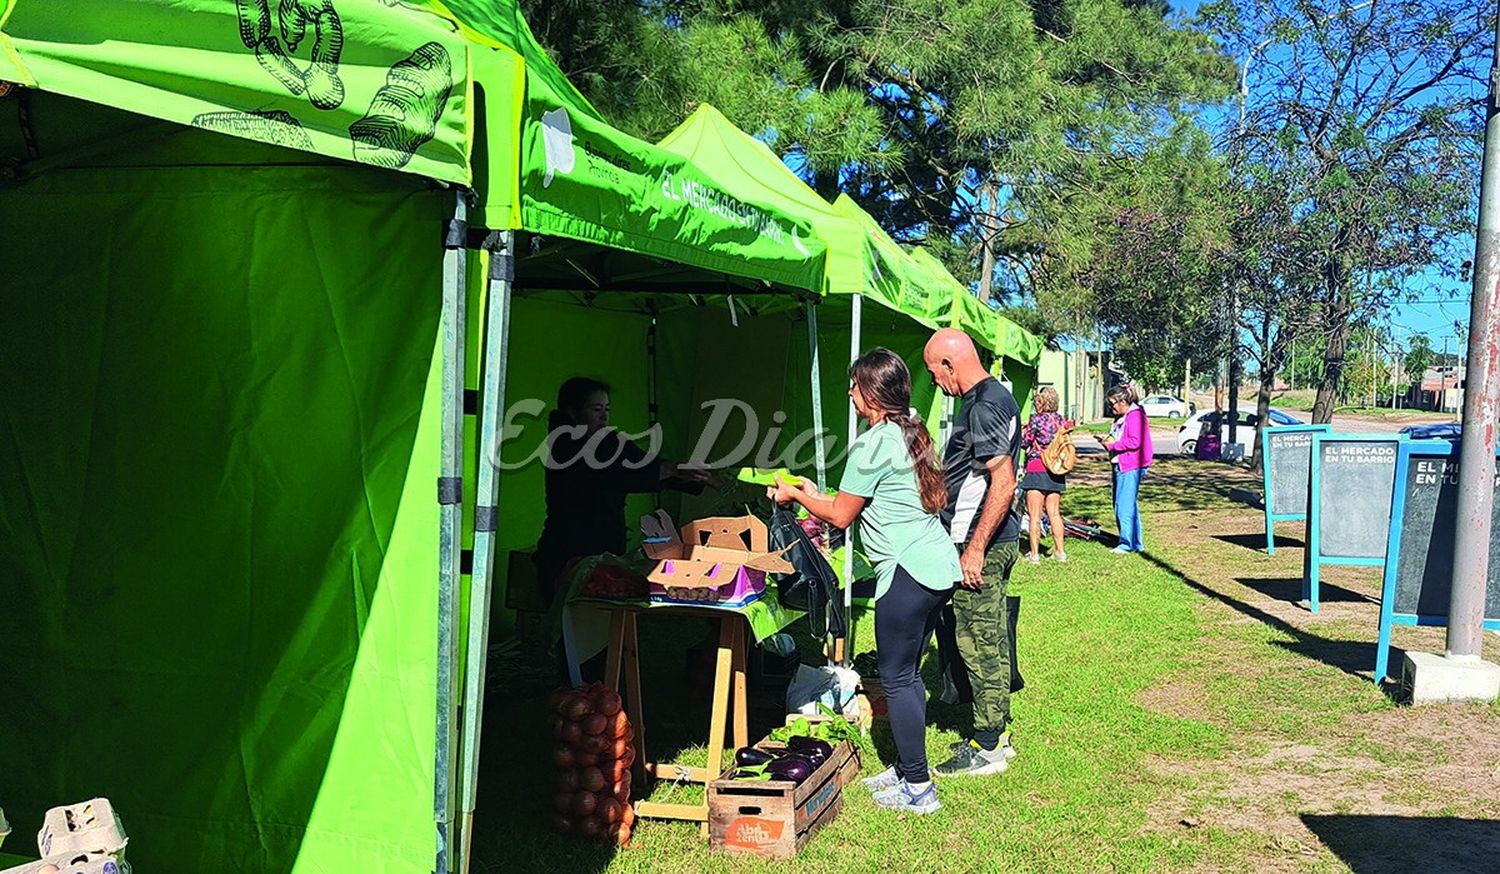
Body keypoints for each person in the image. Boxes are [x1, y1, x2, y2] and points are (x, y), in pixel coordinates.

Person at [768, 348, 958, 815]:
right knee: (909, 674)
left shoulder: (871, 444)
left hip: (907, 571)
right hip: (937, 566)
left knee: (897, 679)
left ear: (871, 393)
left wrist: (795, 495)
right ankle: (908, 769)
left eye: (853, 385)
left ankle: (919, 788)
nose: (849, 393)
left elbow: (842, 514)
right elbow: (857, 500)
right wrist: (818, 496)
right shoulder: (907, 433)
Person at [922, 328, 1022, 777]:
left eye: (933, 372)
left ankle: (987, 747)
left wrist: (975, 549)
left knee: (978, 641)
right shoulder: (987, 399)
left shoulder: (985, 405)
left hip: (980, 541)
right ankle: (997, 731)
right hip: (979, 538)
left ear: (950, 363)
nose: (933, 382)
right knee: (989, 638)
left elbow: (1004, 482)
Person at [533, 377, 711, 605]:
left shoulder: (610, 442)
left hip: (608, 548)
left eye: (607, 409)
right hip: (568, 552)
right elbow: (610, 479)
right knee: (574, 623)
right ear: (573, 413)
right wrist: (666, 471)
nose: (604, 417)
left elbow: (646, 464)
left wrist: (694, 476)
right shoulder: (563, 446)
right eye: (596, 409)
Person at [1096, 383, 1153, 554]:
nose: (1111, 407)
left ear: (1123, 401)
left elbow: (1135, 441)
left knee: (1124, 505)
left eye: (1112, 404)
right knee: (1127, 504)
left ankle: (1127, 543)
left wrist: (1113, 446)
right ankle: (1136, 543)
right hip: (1122, 463)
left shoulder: (1135, 415)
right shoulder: (1123, 416)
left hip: (1130, 465)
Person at [1020, 386, 1071, 564]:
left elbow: (1024, 442)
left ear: (1040, 402)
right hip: (1056, 469)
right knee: (1054, 513)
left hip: (1037, 467)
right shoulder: (1060, 421)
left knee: (1035, 514)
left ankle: (1034, 554)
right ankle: (1060, 552)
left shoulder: (1036, 420)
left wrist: (1023, 431)